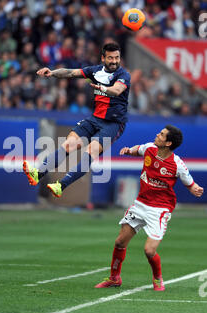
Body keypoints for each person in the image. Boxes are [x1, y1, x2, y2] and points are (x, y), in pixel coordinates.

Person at [95, 125, 204, 291]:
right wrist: (128, 150)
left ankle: (158, 278)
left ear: (168, 143)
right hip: (140, 204)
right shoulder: (149, 148)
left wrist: (195, 188)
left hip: (159, 210)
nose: (157, 135)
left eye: (161, 134)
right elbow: (137, 149)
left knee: (149, 250)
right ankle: (114, 278)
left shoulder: (177, 164)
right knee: (119, 242)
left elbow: (189, 183)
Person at [23, 42, 130, 198]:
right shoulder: (95, 71)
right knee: (68, 144)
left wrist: (103, 89)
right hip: (95, 118)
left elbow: (117, 90)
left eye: (117, 58)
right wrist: (52, 73)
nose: (114, 61)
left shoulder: (123, 75)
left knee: (90, 151)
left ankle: (61, 185)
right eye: (110, 58)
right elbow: (70, 73)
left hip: (114, 124)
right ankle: (38, 174)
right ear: (103, 58)